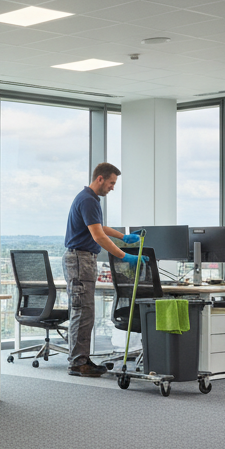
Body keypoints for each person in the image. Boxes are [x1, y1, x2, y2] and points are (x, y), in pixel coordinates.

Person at [63, 162, 146, 378]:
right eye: (111, 183)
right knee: (83, 313)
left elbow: (100, 227)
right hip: (80, 260)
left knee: (84, 313)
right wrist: (124, 256)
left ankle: (80, 359)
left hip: (81, 260)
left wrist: (123, 236)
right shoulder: (88, 200)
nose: (112, 187)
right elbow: (98, 236)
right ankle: (78, 363)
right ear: (100, 178)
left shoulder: (88, 198)